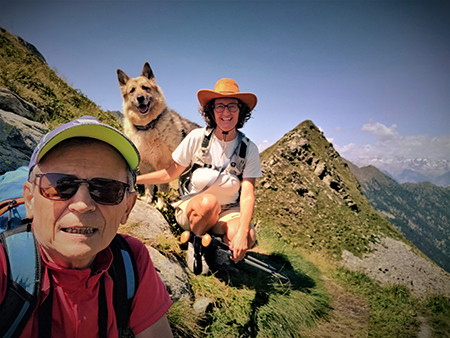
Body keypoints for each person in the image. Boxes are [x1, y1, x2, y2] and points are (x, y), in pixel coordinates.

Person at [0, 116, 173, 337]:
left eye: (106, 189)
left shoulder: (131, 260)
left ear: (128, 208)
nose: (82, 205)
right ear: (30, 199)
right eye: (60, 186)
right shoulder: (6, 265)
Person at [137, 78, 262, 264]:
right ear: (211, 110)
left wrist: (243, 232)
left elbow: (247, 194)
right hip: (194, 207)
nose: (226, 112)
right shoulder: (197, 137)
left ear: (241, 110)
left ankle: (219, 248)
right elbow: (170, 173)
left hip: (228, 212)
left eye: (232, 106)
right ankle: (196, 245)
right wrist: (134, 179)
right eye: (219, 106)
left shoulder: (248, 148)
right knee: (208, 203)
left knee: (249, 234)